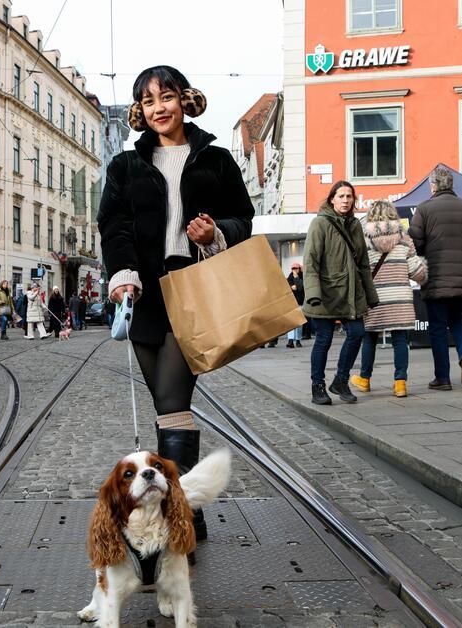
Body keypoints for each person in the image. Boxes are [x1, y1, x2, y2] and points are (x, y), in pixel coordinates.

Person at [99, 65, 254, 542]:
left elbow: (243, 218)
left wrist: (216, 233)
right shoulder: (125, 166)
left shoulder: (217, 159)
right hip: (144, 292)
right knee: (167, 405)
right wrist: (123, 276)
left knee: (172, 397)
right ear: (139, 112)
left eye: (166, 96)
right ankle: (185, 507)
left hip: (193, 287)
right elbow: (114, 224)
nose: (159, 107)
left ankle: (182, 512)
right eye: (148, 101)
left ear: (184, 100)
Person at [407, 165, 462, 391]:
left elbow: (415, 243)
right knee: (458, 321)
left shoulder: (423, 209)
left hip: (435, 279)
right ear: (452, 185)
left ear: (433, 186)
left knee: (437, 327)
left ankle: (442, 378)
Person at [303, 180, 379, 406]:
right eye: (341, 196)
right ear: (332, 199)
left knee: (357, 333)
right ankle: (318, 386)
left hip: (351, 293)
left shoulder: (355, 225)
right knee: (323, 340)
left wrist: (370, 295)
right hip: (325, 293)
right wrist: (313, 293)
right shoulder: (320, 224)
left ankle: (341, 380)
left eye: (349, 196)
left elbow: (363, 264)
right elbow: (311, 261)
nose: (346, 200)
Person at [352, 200, 425, 399]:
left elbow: (360, 272)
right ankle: (400, 384)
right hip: (400, 298)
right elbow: (418, 272)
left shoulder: (364, 240)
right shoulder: (404, 239)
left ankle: (365, 379)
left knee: (370, 339)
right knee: (400, 341)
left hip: (374, 299)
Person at [285, 263, 305, 348]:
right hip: (291, 303)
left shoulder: (302, 277)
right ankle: (290, 340)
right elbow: (286, 287)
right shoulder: (289, 277)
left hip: (300, 302)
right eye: (293, 268)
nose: (294, 270)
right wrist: (290, 287)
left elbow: (300, 287)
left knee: (299, 322)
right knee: (292, 322)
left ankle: (298, 340)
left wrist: (296, 278)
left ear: (299, 269)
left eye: (296, 268)